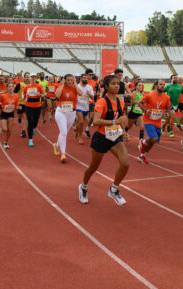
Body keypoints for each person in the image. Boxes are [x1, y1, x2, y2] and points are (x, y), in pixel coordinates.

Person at [79, 74, 130, 206]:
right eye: (113, 83)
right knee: (93, 167)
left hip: (115, 136)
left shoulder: (121, 101)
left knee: (125, 163)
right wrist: (114, 121)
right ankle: (83, 187)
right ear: (106, 86)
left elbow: (121, 119)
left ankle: (114, 189)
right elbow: (96, 121)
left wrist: (124, 132)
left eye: (118, 83)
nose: (116, 86)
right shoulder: (102, 102)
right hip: (102, 137)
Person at [137, 79, 173, 164]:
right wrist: (145, 111)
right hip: (148, 120)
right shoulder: (150, 95)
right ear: (156, 85)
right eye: (160, 84)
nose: (162, 86)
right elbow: (140, 103)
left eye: (163, 85)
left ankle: (142, 155)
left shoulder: (166, 97)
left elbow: (168, 107)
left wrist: (168, 113)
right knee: (154, 138)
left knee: (154, 141)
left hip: (158, 121)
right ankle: (143, 141)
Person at [53, 74, 83, 162]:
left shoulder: (74, 88)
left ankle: (57, 145)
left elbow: (80, 93)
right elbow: (57, 95)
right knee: (64, 132)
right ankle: (63, 154)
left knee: (64, 132)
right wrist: (62, 85)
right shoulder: (60, 87)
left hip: (71, 113)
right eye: (68, 80)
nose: (70, 82)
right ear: (65, 80)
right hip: (61, 112)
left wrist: (76, 84)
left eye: (71, 80)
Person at [23, 74, 45, 147]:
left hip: (37, 106)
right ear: (29, 78)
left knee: (35, 122)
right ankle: (30, 140)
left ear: (36, 78)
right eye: (31, 77)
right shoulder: (26, 86)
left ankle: (33, 128)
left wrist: (40, 94)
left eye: (34, 77)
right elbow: (23, 95)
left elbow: (43, 95)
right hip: (28, 106)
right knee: (30, 121)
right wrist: (24, 98)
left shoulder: (39, 86)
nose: (33, 78)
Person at [0, 82, 19, 149]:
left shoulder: (16, 96)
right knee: (5, 129)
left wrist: (18, 107)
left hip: (11, 113)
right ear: (7, 88)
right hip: (4, 113)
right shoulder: (3, 96)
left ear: (13, 88)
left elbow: (17, 105)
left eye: (12, 86)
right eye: (9, 86)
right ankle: (2, 130)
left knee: (9, 130)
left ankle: (6, 142)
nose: (11, 88)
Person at [75, 73, 94, 145]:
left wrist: (89, 94)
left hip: (86, 106)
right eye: (84, 78)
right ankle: (80, 137)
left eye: (86, 78)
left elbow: (93, 98)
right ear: (81, 79)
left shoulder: (89, 87)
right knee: (81, 121)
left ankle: (77, 130)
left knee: (79, 122)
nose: (86, 79)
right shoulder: (77, 86)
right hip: (78, 106)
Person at [14, 72, 30, 138]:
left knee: (26, 118)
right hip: (20, 103)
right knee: (20, 115)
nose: (27, 78)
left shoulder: (32, 85)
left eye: (28, 77)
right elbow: (14, 93)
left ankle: (23, 131)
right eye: (26, 77)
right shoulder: (20, 84)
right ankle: (19, 117)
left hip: (27, 104)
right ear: (24, 77)